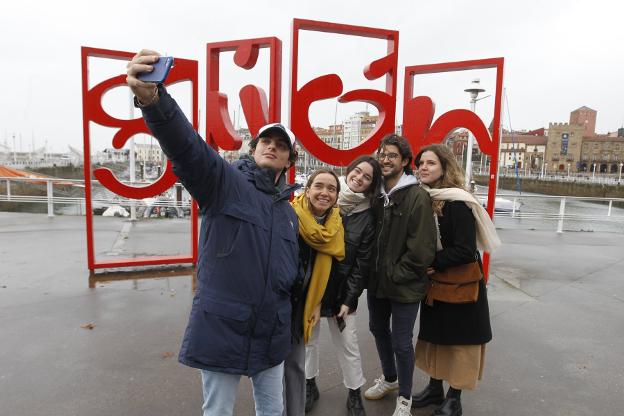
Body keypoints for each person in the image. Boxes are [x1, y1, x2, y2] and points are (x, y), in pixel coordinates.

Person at [127, 50, 300, 416]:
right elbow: (188, 150)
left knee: (273, 411)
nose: (273, 146)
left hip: (271, 334)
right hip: (224, 327)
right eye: (266, 141)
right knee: (218, 411)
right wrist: (154, 101)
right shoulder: (226, 183)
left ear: (289, 161)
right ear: (253, 150)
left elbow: (289, 274)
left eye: (282, 145)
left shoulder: (288, 213)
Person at [412, 144, 501, 416]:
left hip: (461, 284)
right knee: (437, 338)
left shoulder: (457, 201)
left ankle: (455, 398)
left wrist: (431, 263)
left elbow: (464, 249)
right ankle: (435, 388)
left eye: (431, 163)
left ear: (445, 167)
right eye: (421, 163)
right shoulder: (426, 197)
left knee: (461, 343)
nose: (423, 168)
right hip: (437, 284)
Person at [364, 134, 437, 416]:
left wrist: (395, 274)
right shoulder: (376, 192)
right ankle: (390, 379)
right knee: (377, 329)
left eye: (392, 155)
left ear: (405, 161)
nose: (385, 159)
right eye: (382, 154)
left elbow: (421, 248)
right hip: (377, 281)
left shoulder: (416, 195)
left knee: (401, 340)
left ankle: (405, 398)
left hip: (404, 283)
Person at [304, 156, 382, 416]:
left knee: (348, 345)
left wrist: (349, 298)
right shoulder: (323, 202)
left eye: (367, 177)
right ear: (349, 171)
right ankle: (309, 385)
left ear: (371, 185)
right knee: (309, 342)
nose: (359, 178)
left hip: (342, 293)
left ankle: (354, 393)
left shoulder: (367, 216)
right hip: (313, 290)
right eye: (357, 171)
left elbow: (362, 264)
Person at [285, 169, 345, 416]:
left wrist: (320, 302)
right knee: (274, 365)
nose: (325, 193)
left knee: (296, 365)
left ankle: (294, 409)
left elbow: (338, 268)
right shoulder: (289, 215)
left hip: (309, 302)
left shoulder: (337, 224)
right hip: (284, 299)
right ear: (307, 190)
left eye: (331, 189)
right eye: (319, 186)